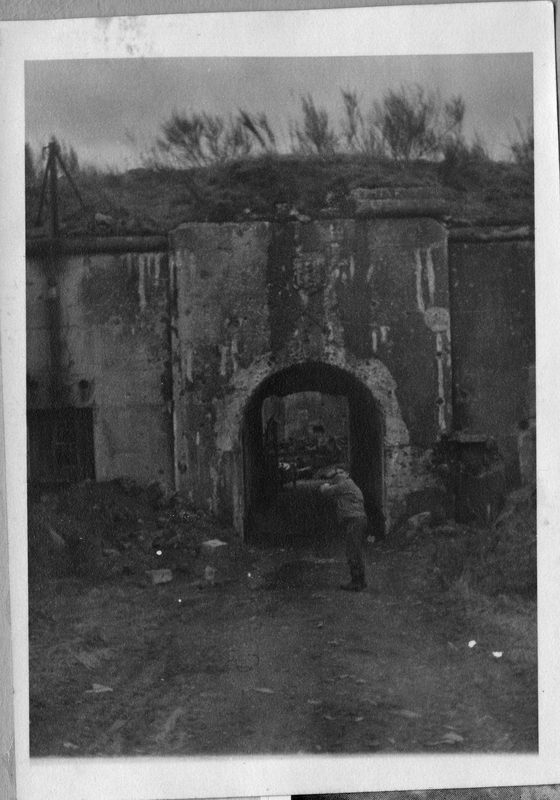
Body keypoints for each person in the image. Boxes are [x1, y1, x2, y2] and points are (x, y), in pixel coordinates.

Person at [319, 466, 369, 592]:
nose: (338, 475)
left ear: (346, 474)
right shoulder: (346, 484)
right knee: (354, 550)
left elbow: (325, 491)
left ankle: (357, 582)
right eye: (337, 473)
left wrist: (326, 484)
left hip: (355, 520)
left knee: (353, 551)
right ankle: (360, 581)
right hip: (355, 520)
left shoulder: (345, 485)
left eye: (341, 472)